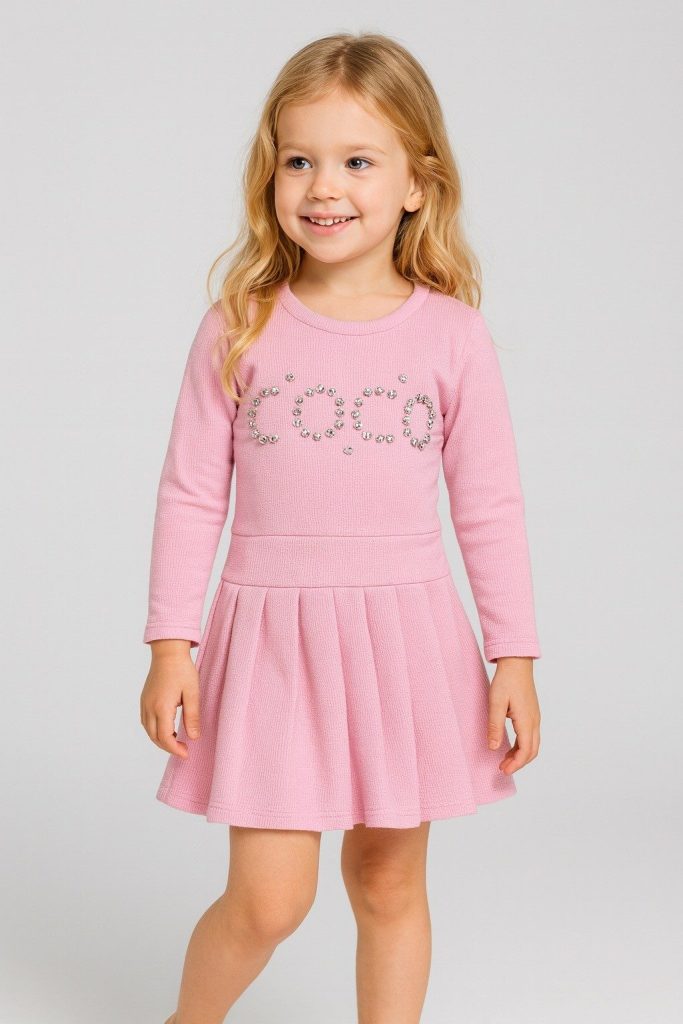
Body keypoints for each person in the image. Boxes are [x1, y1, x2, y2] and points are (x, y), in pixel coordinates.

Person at [140, 30, 542, 1024]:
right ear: (270, 174)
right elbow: (190, 492)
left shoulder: (451, 335)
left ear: (416, 183)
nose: (324, 186)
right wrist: (170, 643)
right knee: (269, 901)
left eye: (357, 161)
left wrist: (514, 655)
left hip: (404, 639)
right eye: (299, 160)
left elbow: (488, 504)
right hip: (272, 640)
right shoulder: (239, 323)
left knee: (387, 883)